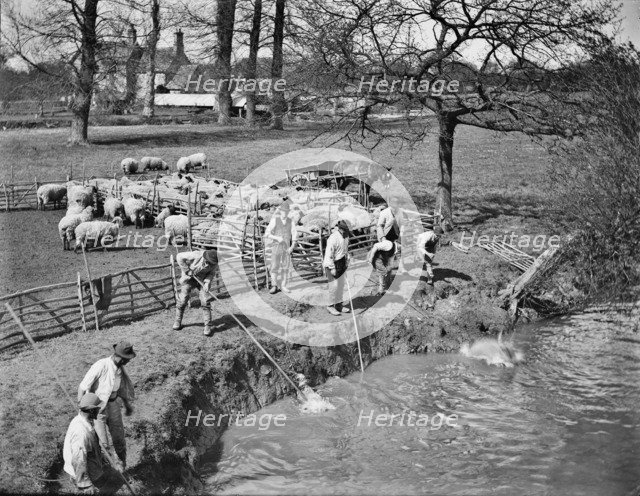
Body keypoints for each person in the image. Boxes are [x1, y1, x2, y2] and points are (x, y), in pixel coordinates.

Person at [77, 341, 136, 472]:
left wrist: (127, 405)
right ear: (120, 357)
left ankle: (122, 466)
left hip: (113, 406)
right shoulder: (101, 365)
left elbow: (119, 388)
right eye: (127, 359)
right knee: (103, 444)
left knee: (119, 438)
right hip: (98, 409)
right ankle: (107, 472)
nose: (128, 362)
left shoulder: (120, 370)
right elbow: (82, 387)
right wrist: (82, 412)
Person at [64, 392, 124, 495]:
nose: (99, 411)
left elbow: (91, 447)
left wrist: (102, 458)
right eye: (97, 409)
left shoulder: (84, 421)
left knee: (115, 480)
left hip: (91, 465)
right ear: (91, 410)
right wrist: (85, 484)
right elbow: (78, 459)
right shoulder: (81, 432)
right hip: (81, 471)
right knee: (114, 484)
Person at [173, 249, 218, 335]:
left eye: (211, 263)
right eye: (208, 262)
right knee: (183, 300)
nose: (209, 264)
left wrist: (207, 282)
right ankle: (177, 321)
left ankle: (207, 325)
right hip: (189, 278)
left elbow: (211, 273)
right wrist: (187, 270)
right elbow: (179, 256)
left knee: (206, 301)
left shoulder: (215, 262)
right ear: (205, 258)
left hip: (202, 281)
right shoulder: (196, 255)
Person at [264, 202, 298, 294]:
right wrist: (276, 238)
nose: (285, 213)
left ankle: (283, 286)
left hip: (286, 248)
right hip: (276, 247)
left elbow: (295, 236)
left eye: (286, 211)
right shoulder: (275, 220)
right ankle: (274, 286)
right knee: (274, 266)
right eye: (283, 211)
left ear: (288, 212)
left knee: (285, 267)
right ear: (281, 211)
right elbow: (267, 234)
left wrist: (292, 247)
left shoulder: (291, 222)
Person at [372, 196, 403, 295]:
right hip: (385, 240)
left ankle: (388, 283)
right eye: (393, 206)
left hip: (394, 241)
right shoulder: (384, 213)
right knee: (382, 263)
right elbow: (379, 226)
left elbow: (402, 226)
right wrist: (383, 239)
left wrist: (400, 239)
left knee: (390, 263)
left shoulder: (400, 213)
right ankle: (381, 288)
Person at [322, 220, 352, 316]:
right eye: (346, 230)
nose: (347, 232)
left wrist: (347, 261)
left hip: (341, 262)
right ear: (340, 229)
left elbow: (345, 250)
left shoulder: (346, 237)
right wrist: (332, 268)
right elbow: (329, 254)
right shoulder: (333, 238)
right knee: (334, 286)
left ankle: (339, 305)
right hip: (332, 263)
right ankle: (330, 306)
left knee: (341, 285)